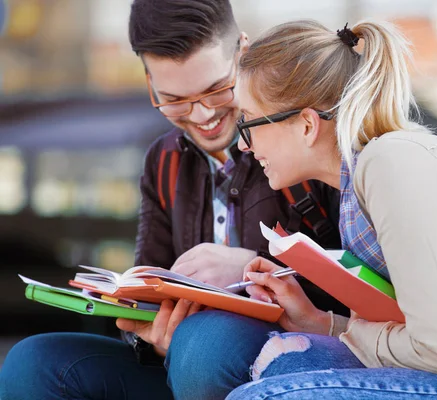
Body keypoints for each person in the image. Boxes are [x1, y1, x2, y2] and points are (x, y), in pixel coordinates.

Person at [185, 19, 437, 399]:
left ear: (308, 125)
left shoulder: (390, 162)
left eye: (249, 123)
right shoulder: (363, 182)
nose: (242, 145)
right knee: (285, 361)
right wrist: (321, 323)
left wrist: (350, 331)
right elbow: (435, 340)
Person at [0, 2, 344, 400]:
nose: (202, 115)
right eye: (174, 99)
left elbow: (368, 280)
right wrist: (146, 333)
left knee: (204, 345)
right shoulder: (163, 160)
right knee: (33, 362)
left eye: (217, 89)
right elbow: (150, 278)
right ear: (149, 81)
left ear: (243, 53)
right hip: (183, 362)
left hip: (292, 357)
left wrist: (256, 263)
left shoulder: (301, 138)